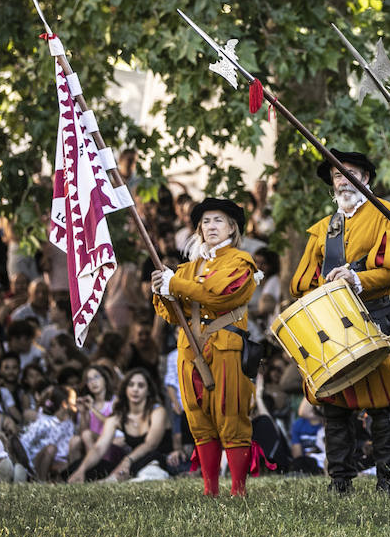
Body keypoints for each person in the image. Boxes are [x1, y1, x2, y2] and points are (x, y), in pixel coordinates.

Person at [290, 149, 390, 494]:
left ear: (366, 179)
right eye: (336, 175)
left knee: (384, 402)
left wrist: (356, 277)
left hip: (373, 317)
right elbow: (300, 282)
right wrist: (326, 284)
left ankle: (387, 480)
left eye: (349, 173)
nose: (342, 180)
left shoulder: (388, 216)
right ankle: (340, 480)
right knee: (334, 404)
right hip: (332, 324)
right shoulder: (322, 229)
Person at [150, 197, 256, 496]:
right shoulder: (185, 270)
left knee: (232, 417)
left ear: (232, 228)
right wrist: (161, 292)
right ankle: (210, 490)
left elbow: (221, 295)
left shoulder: (240, 262)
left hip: (225, 349)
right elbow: (174, 315)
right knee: (199, 420)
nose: (211, 226)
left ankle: (238, 490)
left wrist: (175, 285)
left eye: (218, 220)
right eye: (206, 221)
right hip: (190, 352)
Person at [69, 368, 171, 483]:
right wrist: (81, 470)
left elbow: (150, 444)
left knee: (151, 458)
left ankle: (110, 481)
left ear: (148, 391)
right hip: (132, 461)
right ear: (125, 389)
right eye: (131, 385)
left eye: (141, 386)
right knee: (78, 467)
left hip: (156, 460)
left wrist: (126, 461)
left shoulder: (157, 411)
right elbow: (99, 448)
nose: (135, 389)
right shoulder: (118, 416)